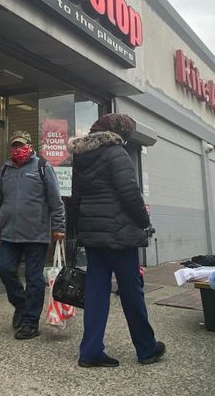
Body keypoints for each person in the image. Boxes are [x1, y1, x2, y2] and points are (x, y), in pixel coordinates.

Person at [69, 113, 165, 368]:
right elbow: (129, 193)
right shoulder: (116, 153)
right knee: (131, 290)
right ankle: (146, 348)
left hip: (93, 236)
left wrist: (77, 230)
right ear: (118, 133)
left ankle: (89, 351)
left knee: (96, 292)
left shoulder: (81, 157)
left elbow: (75, 198)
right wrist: (144, 222)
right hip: (120, 235)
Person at [0, 130, 65, 340]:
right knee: (5, 270)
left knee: (34, 279)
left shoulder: (43, 167)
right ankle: (22, 305)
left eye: (21, 145)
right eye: (14, 146)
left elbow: (56, 202)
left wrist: (58, 228)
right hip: (9, 234)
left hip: (36, 234)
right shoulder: (5, 169)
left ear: (30, 146)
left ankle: (30, 322)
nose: (18, 149)